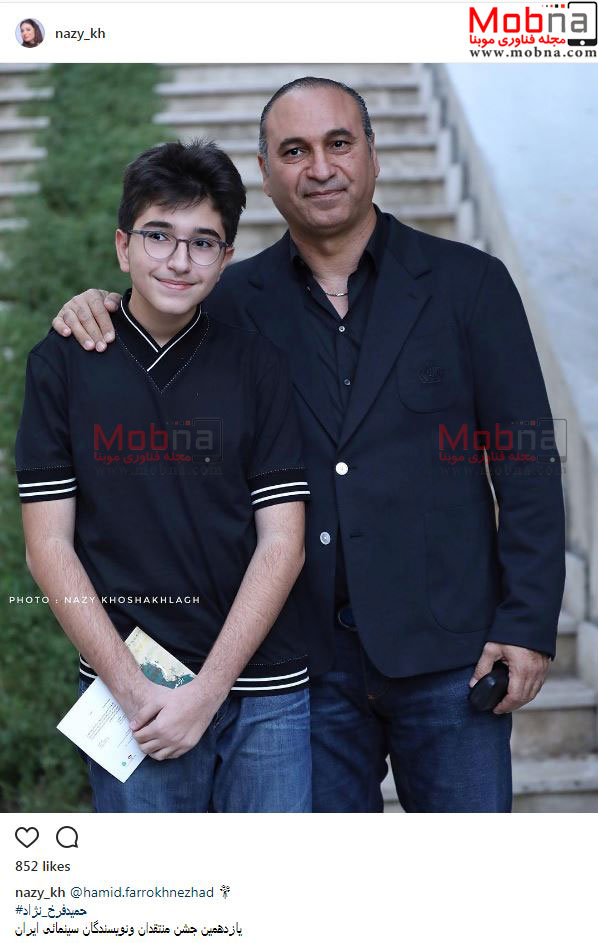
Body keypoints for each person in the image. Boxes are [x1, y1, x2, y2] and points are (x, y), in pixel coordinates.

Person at [50, 77, 566, 813]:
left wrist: (527, 622)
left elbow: (527, 458)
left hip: (452, 656)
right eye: (294, 151)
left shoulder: (470, 284)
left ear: (374, 156)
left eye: (338, 143)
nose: (319, 167)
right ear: (266, 173)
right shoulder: (228, 303)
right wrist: (97, 304)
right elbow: (153, 316)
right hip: (304, 671)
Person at [17, 140, 312, 812]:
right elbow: (48, 548)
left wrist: (207, 693)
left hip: (264, 691)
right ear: (123, 246)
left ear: (226, 259)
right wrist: (134, 691)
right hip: (131, 694)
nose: (179, 260)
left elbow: (283, 542)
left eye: (202, 243)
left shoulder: (257, 363)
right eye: (158, 235)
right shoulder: (63, 362)